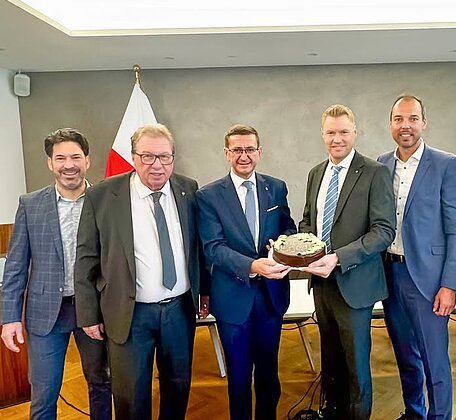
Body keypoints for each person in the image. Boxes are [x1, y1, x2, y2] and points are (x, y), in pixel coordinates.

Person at [74, 123, 209, 419]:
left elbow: (198, 248)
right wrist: (88, 314)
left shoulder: (188, 189)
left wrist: (205, 292)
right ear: (134, 157)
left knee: (178, 386)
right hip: (129, 314)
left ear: (173, 158)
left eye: (164, 157)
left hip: (179, 310)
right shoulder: (103, 196)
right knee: (131, 396)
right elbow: (86, 258)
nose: (157, 165)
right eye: (148, 156)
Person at [0, 128, 112, 420]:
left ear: (87, 160)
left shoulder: (106, 201)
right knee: (44, 394)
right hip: (45, 314)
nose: (68, 164)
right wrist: (10, 317)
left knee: (101, 384)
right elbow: (15, 265)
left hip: (95, 312)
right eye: (60, 158)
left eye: (75, 157)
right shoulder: (30, 204)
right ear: (50, 163)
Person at [300, 104, 396, 420]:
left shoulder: (375, 172)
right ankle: (333, 412)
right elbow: (308, 221)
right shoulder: (316, 173)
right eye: (331, 132)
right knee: (331, 361)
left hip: (355, 283)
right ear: (322, 134)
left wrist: (338, 258)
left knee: (355, 366)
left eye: (343, 132)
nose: (337, 138)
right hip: (321, 283)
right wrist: (304, 249)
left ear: (355, 132)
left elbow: (384, 231)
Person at [196, 124, 296, 420]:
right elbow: (213, 248)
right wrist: (251, 266)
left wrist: (282, 244)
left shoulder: (275, 187)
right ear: (226, 153)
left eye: (250, 149)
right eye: (237, 150)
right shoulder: (208, 196)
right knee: (239, 379)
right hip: (232, 300)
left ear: (259, 152)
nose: (244, 156)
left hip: (271, 298)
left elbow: (288, 227)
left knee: (269, 376)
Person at [377, 95, 456, 420]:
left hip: (429, 279)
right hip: (390, 274)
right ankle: (414, 413)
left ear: (424, 123)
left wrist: (450, 285)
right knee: (405, 355)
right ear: (390, 124)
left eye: (413, 119)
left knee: (434, 360)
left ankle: (440, 416)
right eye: (399, 119)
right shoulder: (381, 164)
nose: (406, 126)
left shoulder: (447, 165)